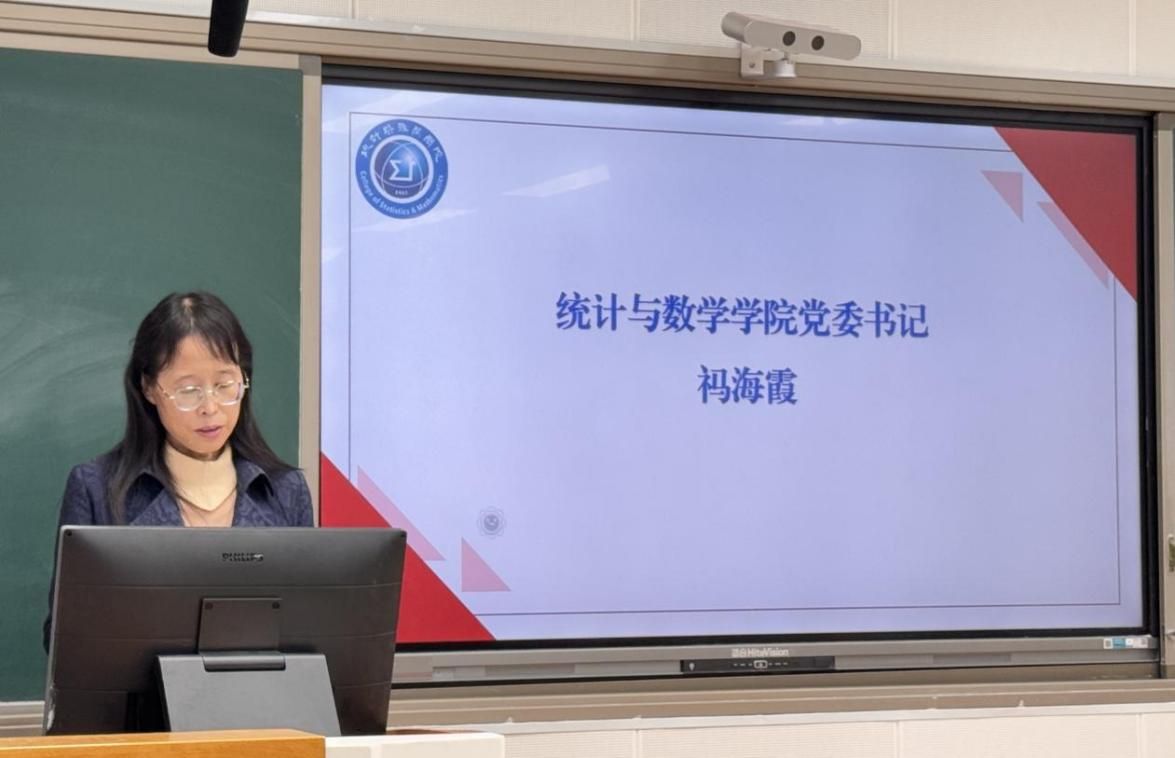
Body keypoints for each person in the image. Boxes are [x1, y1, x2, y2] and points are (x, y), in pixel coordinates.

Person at [44, 291, 312, 650]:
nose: (210, 407)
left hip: (256, 686)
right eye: (188, 390)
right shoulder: (96, 488)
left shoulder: (286, 490)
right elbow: (64, 637)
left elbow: (306, 630)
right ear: (149, 388)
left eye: (225, 385)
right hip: (142, 687)